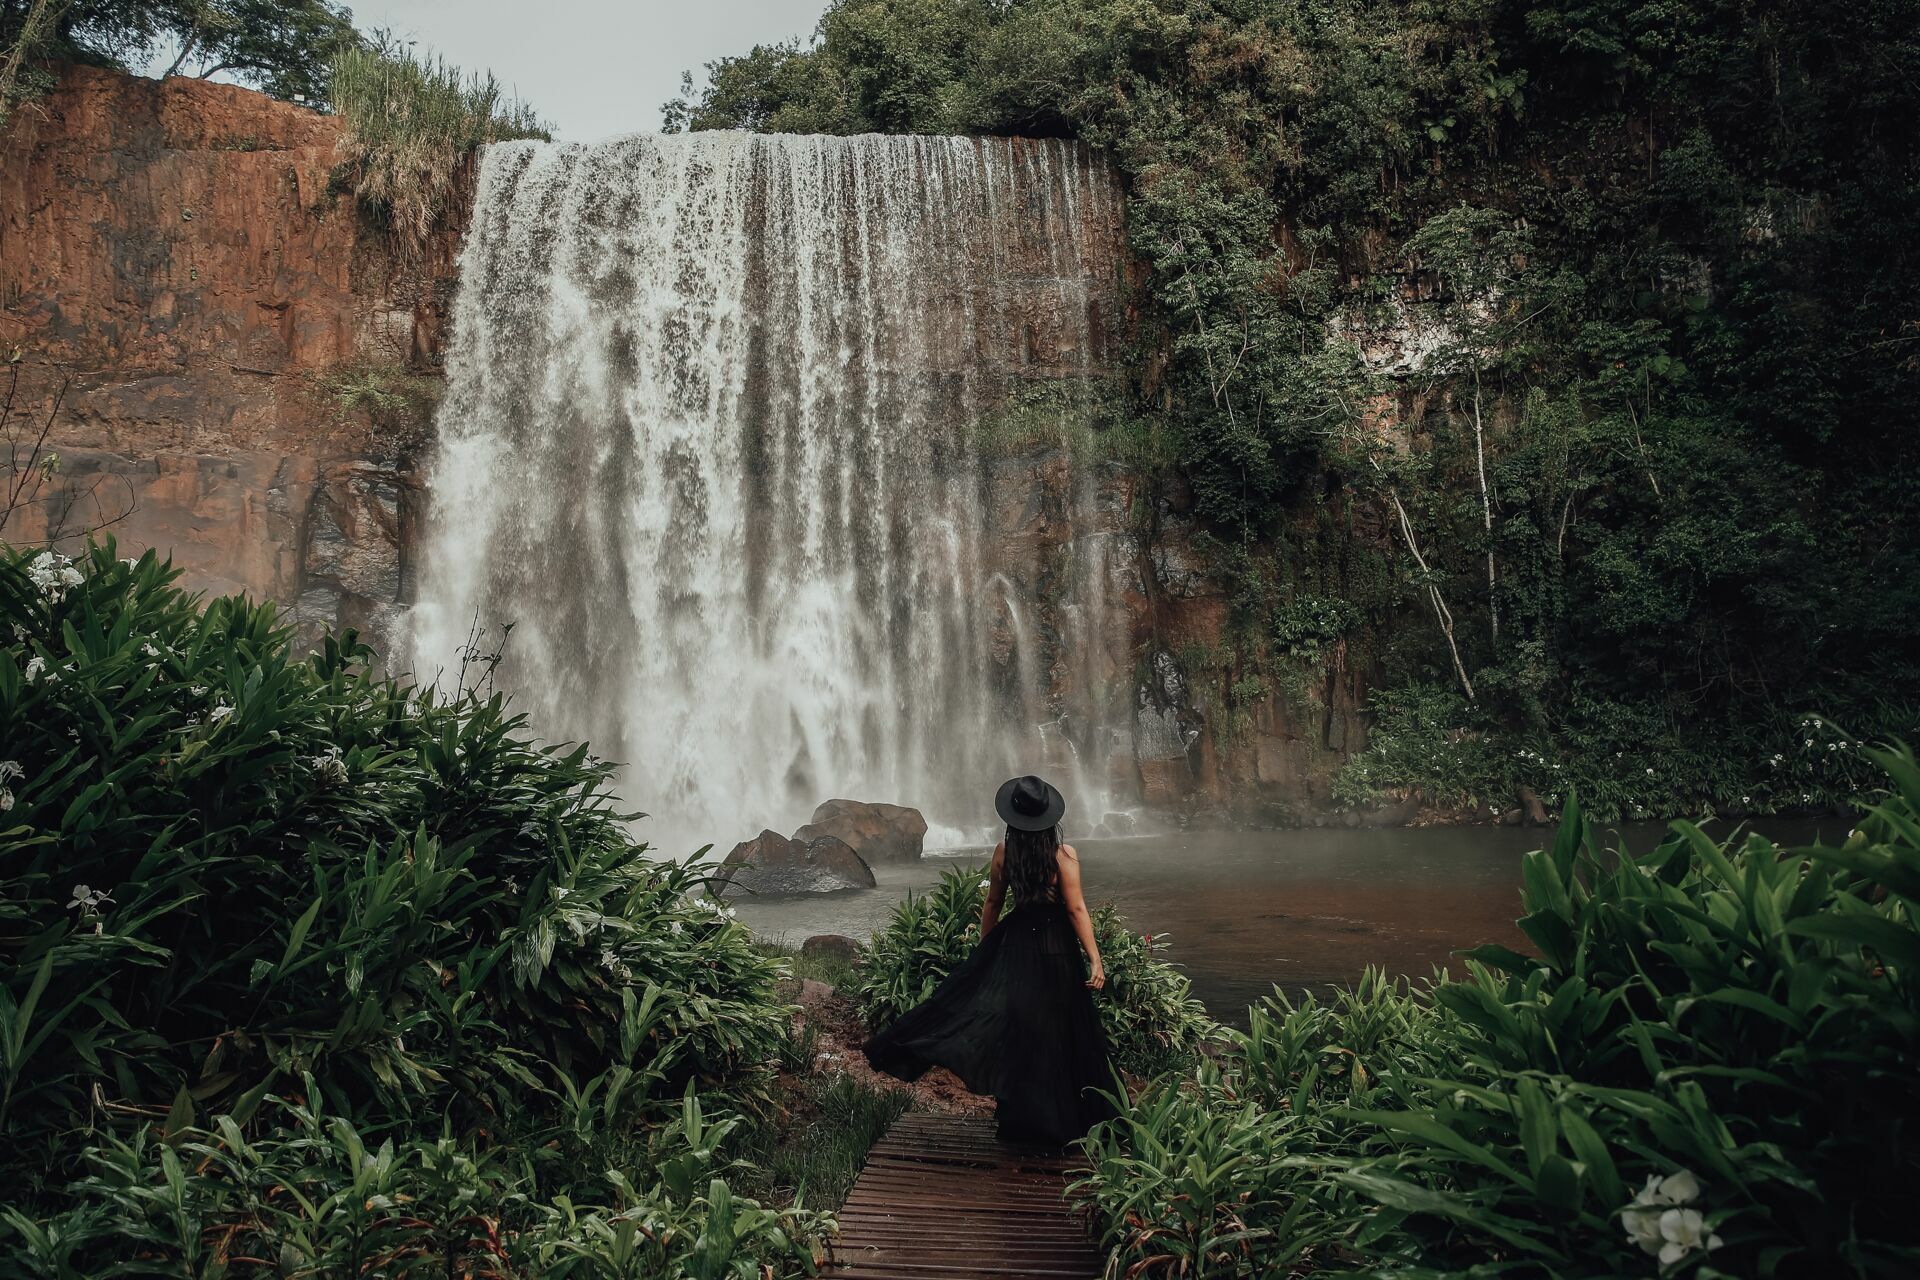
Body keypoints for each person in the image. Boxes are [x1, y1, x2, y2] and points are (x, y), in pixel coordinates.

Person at [861, 774, 1119, 1146]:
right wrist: (1095, 960)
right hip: (1056, 948)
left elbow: (993, 903)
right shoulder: (1064, 856)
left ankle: (1022, 1123)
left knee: (1022, 1032)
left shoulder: (1003, 852)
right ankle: (1069, 1124)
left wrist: (987, 951)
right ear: (1049, 818)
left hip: (1015, 945)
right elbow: (1077, 909)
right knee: (1061, 1031)